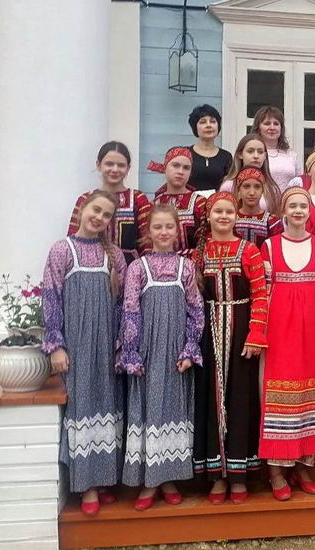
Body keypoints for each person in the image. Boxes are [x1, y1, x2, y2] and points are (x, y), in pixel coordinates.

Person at [42, 190, 128, 516]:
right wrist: (56, 345)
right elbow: (51, 297)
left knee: (108, 405)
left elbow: (123, 305)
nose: (99, 217)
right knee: (83, 406)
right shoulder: (62, 250)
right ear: (82, 209)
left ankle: (104, 480)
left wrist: (121, 344)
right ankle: (86, 485)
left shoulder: (114, 255)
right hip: (77, 344)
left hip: (106, 343)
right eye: (96, 210)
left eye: (106, 215)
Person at [117, 204, 204, 510]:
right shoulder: (138, 268)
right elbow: (130, 310)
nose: (164, 232)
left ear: (177, 231)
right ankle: (150, 482)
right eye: (158, 227)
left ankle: (168, 479)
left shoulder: (186, 268)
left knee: (173, 412)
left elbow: (195, 310)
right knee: (149, 411)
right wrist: (131, 352)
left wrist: (190, 348)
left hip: (175, 352)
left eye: (169, 227)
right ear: (148, 232)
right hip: (148, 350)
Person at [192, 192, 268, 504]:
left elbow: (261, 294)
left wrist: (256, 334)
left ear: (236, 216)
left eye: (229, 212)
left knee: (240, 399)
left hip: (241, 332)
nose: (223, 216)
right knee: (211, 399)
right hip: (208, 332)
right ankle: (216, 476)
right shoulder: (197, 254)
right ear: (208, 216)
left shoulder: (249, 251)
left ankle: (238, 476)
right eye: (218, 211)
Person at [258, 188, 315, 500]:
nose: (299, 210)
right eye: (293, 206)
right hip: (279, 330)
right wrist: (261, 331)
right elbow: (263, 291)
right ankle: (276, 471)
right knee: (279, 394)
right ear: (283, 211)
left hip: (311, 330)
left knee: (308, 394)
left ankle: (303, 466)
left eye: (304, 205)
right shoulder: (270, 246)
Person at [68, 141, 152, 265]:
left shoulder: (138, 199)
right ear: (98, 165)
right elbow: (73, 239)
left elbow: (147, 243)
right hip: (90, 267)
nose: (115, 169)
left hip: (131, 269)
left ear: (128, 168)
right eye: (109, 164)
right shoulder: (85, 199)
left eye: (121, 165)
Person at [149, 146, 206, 254]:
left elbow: (206, 239)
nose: (180, 171)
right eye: (175, 165)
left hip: (192, 262)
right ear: (165, 167)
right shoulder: (153, 205)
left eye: (186, 168)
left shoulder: (200, 203)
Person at [219, 133, 281, 213]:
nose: (256, 156)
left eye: (260, 152)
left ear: (265, 156)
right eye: (250, 151)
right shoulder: (229, 185)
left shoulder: (271, 187)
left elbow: (276, 216)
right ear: (240, 154)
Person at [252, 105, 302, 193]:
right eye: (267, 123)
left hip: (288, 200)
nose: (272, 128)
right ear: (258, 127)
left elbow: (300, 182)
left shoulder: (291, 155)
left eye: (276, 124)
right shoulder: (252, 154)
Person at [187, 104, 233, 193]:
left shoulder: (226, 156)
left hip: (218, 201)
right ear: (195, 127)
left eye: (212, 121)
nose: (208, 125)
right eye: (203, 122)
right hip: (189, 200)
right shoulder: (186, 154)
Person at [233, 167, 281, 247]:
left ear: (262, 190)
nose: (252, 193)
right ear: (239, 190)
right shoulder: (231, 220)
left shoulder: (273, 223)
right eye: (246, 186)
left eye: (257, 187)